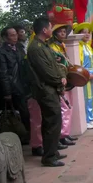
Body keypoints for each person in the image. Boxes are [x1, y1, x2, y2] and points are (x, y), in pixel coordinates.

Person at [27, 17, 68, 167]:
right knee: (52, 121)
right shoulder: (35, 48)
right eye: (51, 27)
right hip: (45, 89)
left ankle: (52, 151)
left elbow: (55, 64)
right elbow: (45, 71)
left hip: (51, 87)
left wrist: (62, 76)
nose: (52, 30)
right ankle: (49, 157)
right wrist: (59, 80)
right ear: (44, 30)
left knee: (52, 121)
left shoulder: (44, 46)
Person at [0, 26, 32, 133]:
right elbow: (3, 73)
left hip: (24, 84)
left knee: (29, 110)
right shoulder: (0, 52)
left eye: (16, 34)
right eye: (12, 35)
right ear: (5, 38)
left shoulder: (19, 48)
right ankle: (28, 136)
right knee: (23, 112)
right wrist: (7, 92)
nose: (15, 37)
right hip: (14, 86)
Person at [48, 21, 77, 146]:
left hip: (66, 79)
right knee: (63, 108)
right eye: (61, 31)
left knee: (68, 107)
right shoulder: (52, 47)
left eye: (64, 31)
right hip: (59, 80)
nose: (63, 33)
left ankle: (65, 133)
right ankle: (61, 135)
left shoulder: (62, 45)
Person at [74, 23, 93, 129]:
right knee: (86, 97)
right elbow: (79, 63)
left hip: (92, 75)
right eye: (84, 32)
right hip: (84, 75)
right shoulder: (79, 47)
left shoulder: (88, 47)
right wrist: (88, 74)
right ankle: (86, 119)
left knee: (90, 98)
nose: (86, 34)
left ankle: (90, 119)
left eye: (88, 32)